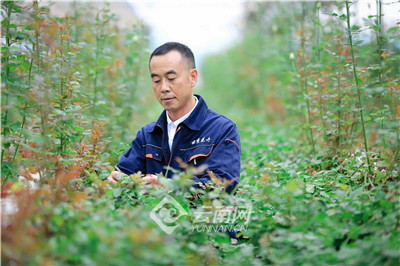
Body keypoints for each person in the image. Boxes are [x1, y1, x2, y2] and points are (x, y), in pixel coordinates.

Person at [107, 42, 241, 194]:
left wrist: (169, 187)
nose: (163, 88)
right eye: (156, 80)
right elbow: (124, 173)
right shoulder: (148, 135)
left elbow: (224, 185)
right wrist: (117, 179)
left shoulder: (222, 130)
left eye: (171, 78)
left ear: (193, 77)